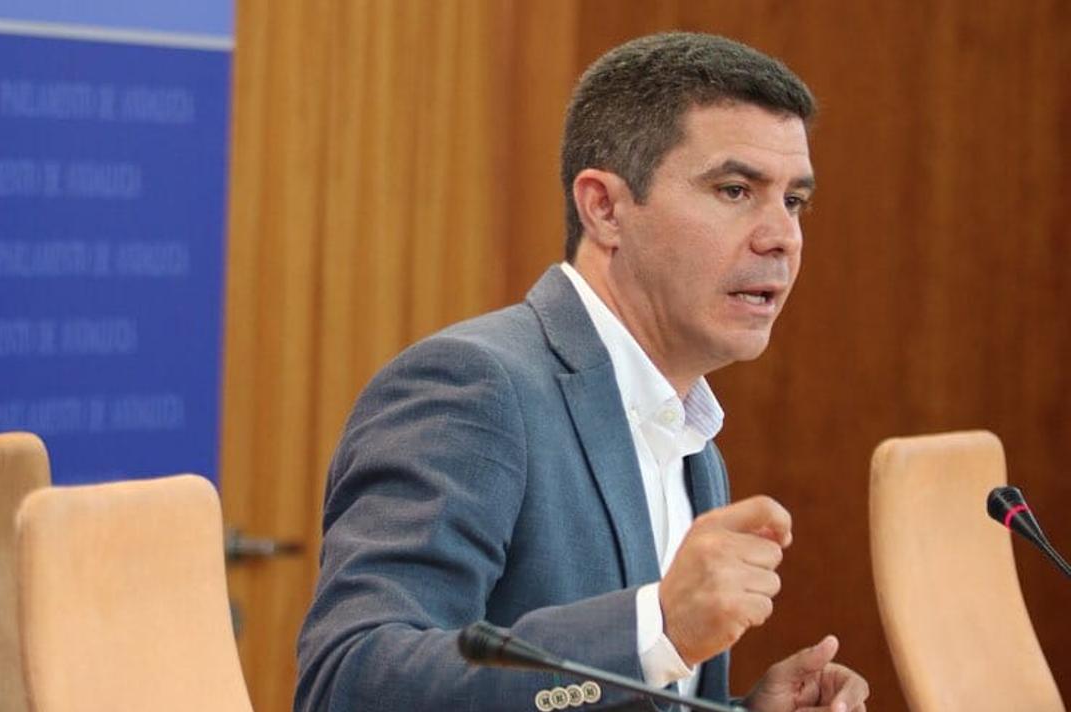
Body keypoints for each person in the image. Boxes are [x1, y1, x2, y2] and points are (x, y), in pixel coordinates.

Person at [296, 32, 869, 712]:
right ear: (604, 208)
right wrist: (655, 628)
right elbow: (350, 683)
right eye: (736, 190)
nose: (782, 237)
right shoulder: (475, 388)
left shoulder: (691, 437)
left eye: (794, 201)